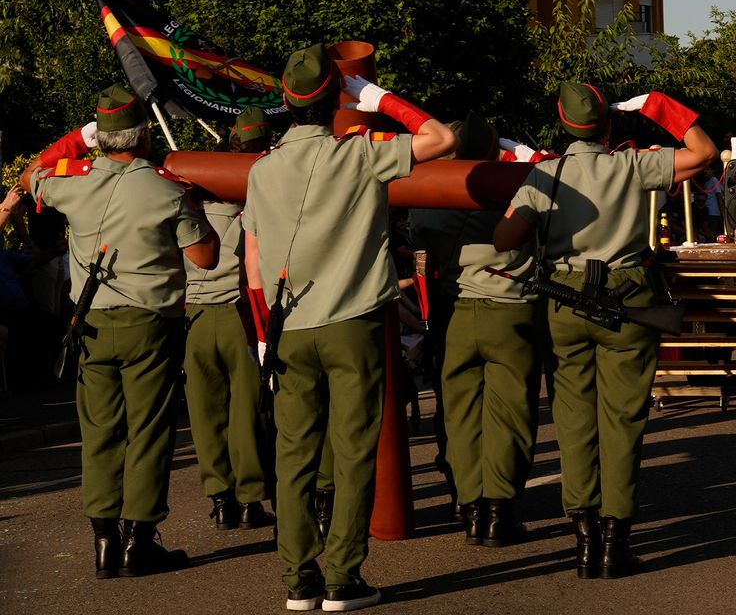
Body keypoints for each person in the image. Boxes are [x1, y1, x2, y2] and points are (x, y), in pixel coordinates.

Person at [242, 44, 455, 612]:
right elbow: (442, 140)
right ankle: (342, 577)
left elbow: (252, 261)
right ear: (337, 98)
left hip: (290, 326)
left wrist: (265, 333)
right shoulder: (359, 153)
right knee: (355, 450)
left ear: (286, 101)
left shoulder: (261, 171)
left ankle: (298, 579)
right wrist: (376, 96)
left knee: (294, 456)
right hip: (353, 321)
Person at [493, 82, 716, 578]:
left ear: (563, 125)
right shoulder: (632, 165)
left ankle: (584, 540)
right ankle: (616, 542)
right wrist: (660, 108)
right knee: (622, 424)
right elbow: (705, 152)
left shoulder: (546, 174)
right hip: (628, 300)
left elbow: (506, 240)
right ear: (607, 125)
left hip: (566, 304)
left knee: (573, 424)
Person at [21, 85, 219, 577]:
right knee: (149, 430)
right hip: (149, 326)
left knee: (100, 433)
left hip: (88, 326)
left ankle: (104, 541)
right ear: (145, 136)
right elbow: (206, 257)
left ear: (103, 139)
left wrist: (81, 137)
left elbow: (30, 176)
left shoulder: (76, 182)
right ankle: (139, 540)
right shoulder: (164, 189)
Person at [412, 111, 542, 549]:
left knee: (458, 415)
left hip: (453, 311)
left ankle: (467, 505)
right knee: (510, 415)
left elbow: (419, 247)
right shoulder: (521, 185)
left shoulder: (429, 196)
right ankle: (499, 510)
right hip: (511, 309)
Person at [183, 107, 274, 531]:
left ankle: (221, 499)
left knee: (206, 416)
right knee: (247, 412)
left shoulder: (191, 204)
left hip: (196, 317)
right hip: (241, 314)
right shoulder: (262, 203)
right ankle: (252, 498)